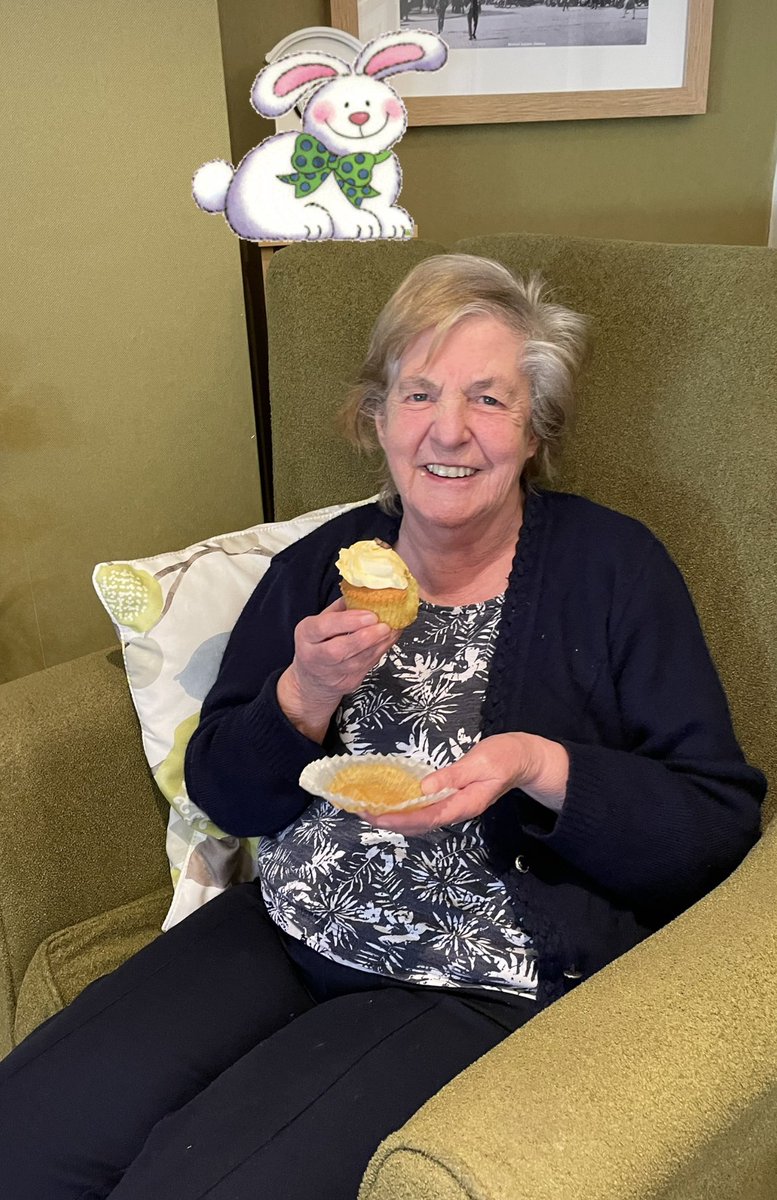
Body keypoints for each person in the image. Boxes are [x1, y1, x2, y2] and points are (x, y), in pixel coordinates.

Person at [0, 255, 766, 1199]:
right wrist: (301, 695)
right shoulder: (322, 565)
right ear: (377, 419)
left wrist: (540, 766)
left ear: (535, 428)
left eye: (488, 398)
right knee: (26, 1133)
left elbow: (716, 820)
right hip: (284, 920)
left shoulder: (611, 568)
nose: (448, 430)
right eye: (418, 394)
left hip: (472, 970)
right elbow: (226, 791)